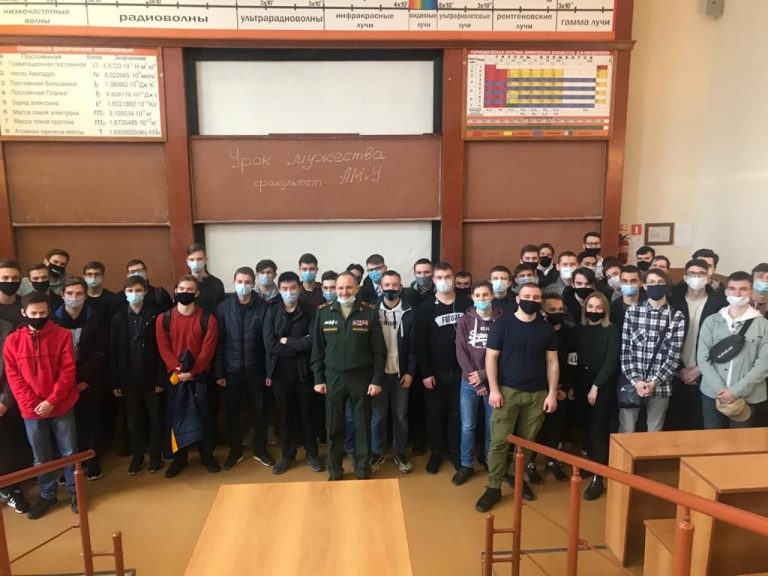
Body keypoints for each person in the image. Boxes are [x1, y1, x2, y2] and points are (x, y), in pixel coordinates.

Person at [475, 282, 559, 511]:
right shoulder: (502, 325)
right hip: (507, 392)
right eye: (527, 296)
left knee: (527, 444)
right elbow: (491, 358)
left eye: (536, 297)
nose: (532, 300)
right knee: (499, 442)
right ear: (518, 299)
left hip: (537, 394)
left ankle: (517, 478)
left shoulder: (546, 329)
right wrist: (493, 389)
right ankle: (493, 486)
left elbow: (552, 362)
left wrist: (552, 393)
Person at [4, 292, 79, 519]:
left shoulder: (62, 335)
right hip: (31, 410)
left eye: (43, 313)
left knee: (69, 451)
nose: (38, 317)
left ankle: (75, 492)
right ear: (23, 313)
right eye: (33, 313)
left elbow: (68, 371)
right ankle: (47, 494)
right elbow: (13, 377)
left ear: (49, 312)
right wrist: (34, 403)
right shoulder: (12, 341)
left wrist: (52, 401)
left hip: (61, 405)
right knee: (41, 455)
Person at [311, 272, 385, 480]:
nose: (344, 292)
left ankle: (362, 468)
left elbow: (379, 350)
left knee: (362, 425)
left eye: (349, 287)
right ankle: (335, 469)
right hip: (333, 377)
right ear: (335, 289)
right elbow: (317, 349)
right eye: (340, 288)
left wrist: (376, 380)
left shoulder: (369, 312)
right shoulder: (323, 312)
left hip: (361, 377)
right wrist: (318, 378)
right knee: (333, 426)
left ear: (357, 288)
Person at [156, 275, 220, 478]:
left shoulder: (208, 319)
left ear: (197, 293)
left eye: (190, 289)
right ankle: (179, 458)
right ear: (176, 291)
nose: (185, 292)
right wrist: (178, 370)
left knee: (205, 416)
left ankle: (207, 455)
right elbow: (164, 348)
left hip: (200, 377)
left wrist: (193, 372)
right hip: (176, 379)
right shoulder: (163, 319)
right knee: (176, 416)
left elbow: (208, 350)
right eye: (181, 289)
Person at [416, 261, 472, 474]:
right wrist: (426, 373)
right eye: (439, 277)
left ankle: (455, 452)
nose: (444, 281)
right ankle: (436, 452)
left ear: (453, 277)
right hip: (435, 372)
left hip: (461, 371)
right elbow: (420, 343)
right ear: (433, 280)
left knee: (457, 414)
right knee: (434, 413)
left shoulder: (467, 304)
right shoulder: (426, 307)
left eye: (447, 277)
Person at [264, 271, 322, 475]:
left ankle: (312, 454)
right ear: (279, 290)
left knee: (308, 415)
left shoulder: (311, 310)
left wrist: (288, 341)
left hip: (304, 372)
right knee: (285, 417)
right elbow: (270, 344)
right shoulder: (271, 311)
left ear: (299, 288)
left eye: (293, 288)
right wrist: (298, 346)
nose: (289, 292)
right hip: (280, 373)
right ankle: (288, 456)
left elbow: (313, 341)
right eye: (285, 289)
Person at [214, 267, 272, 470]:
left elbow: (267, 344)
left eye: (248, 282)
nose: (244, 286)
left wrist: (269, 372)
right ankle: (235, 452)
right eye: (240, 281)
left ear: (254, 283)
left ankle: (260, 450)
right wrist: (219, 372)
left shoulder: (264, 307)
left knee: (259, 411)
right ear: (234, 282)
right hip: (232, 370)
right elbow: (219, 342)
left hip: (257, 370)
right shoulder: (223, 308)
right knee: (232, 413)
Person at [698, 272, 768, 429]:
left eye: (743, 289)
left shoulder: (763, 325)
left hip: (746, 395)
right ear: (726, 291)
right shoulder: (711, 321)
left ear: (751, 292)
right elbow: (703, 359)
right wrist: (720, 389)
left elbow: (764, 364)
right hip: (712, 393)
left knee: (740, 440)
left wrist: (735, 391)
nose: (737, 294)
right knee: (712, 438)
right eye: (732, 289)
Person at [52, 278, 107, 480]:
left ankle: (93, 463)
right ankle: (69, 468)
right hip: (61, 383)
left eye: (79, 294)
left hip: (89, 380)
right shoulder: (52, 320)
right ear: (62, 295)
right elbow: (51, 357)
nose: (74, 298)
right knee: (66, 427)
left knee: (91, 422)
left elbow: (101, 353)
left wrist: (82, 379)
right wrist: (68, 381)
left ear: (85, 296)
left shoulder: (96, 318)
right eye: (70, 293)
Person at [111, 275, 165, 475]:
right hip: (128, 378)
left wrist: (161, 378)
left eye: (138, 290)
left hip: (151, 376)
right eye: (130, 291)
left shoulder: (156, 315)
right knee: (133, 420)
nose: (134, 294)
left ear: (145, 292)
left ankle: (155, 456)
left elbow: (162, 349)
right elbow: (113, 351)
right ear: (125, 293)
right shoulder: (118, 318)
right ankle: (137, 456)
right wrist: (115, 381)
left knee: (155, 418)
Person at [619, 269, 685, 433]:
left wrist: (654, 382)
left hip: (661, 385)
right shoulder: (632, 312)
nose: (656, 285)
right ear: (644, 286)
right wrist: (636, 381)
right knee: (627, 429)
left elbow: (673, 357)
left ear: (666, 286)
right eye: (652, 282)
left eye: (660, 282)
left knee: (655, 430)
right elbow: (625, 352)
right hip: (632, 383)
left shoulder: (677, 317)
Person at [666, 259, 727, 430]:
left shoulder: (720, 304)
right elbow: (664, 338)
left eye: (701, 274)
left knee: (699, 425)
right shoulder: (673, 301)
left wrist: (700, 369)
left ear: (708, 277)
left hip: (705, 374)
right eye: (692, 274)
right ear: (685, 277)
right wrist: (680, 368)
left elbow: (722, 342)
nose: (697, 278)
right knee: (673, 425)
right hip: (675, 372)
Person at [454, 280, 502, 486]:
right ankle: (466, 464)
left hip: (493, 382)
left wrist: (484, 375)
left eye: (485, 295)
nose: (482, 299)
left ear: (492, 296)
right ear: (472, 298)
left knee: (492, 426)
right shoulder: (465, 320)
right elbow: (461, 351)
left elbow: (505, 352)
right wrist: (476, 380)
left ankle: (490, 460)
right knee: (468, 426)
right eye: (478, 296)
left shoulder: (502, 320)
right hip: (469, 383)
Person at [573, 291, 619, 500]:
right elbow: (574, 358)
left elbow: (611, 361)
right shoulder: (580, 329)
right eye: (590, 307)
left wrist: (596, 386)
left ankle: (599, 478)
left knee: (598, 430)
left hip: (601, 386)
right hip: (581, 384)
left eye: (598, 307)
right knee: (585, 428)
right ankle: (591, 464)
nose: (594, 311)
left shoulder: (611, 330)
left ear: (605, 310)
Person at [371, 270, 416, 474]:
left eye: (395, 285)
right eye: (387, 285)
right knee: (378, 417)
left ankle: (400, 452)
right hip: (378, 375)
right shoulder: (371, 311)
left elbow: (415, 346)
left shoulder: (410, 311)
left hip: (401, 374)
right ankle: (377, 452)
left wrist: (410, 372)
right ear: (381, 286)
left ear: (400, 286)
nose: (391, 288)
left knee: (400, 415)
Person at [527, 294, 572, 484]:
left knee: (556, 428)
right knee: (534, 428)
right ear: (543, 311)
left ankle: (553, 460)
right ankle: (530, 464)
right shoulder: (537, 331)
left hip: (561, 389)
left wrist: (565, 387)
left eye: (560, 310)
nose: (557, 313)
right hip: (538, 388)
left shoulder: (569, 333)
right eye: (552, 310)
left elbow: (572, 362)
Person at [0, 311, 31, 514]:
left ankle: (12, 489)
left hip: (4, 401)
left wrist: (4, 402)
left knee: (6, 448)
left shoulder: (6, 328)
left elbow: (14, 369)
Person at [186, 243, 225, 314]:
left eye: (199, 259)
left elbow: (222, 311)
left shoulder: (217, 284)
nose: (196, 262)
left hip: (212, 320)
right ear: (187, 261)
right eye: (192, 259)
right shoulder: (182, 285)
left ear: (205, 260)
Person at [610, 265, 646, 330]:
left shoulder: (650, 303)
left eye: (633, 281)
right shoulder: (612, 308)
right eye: (625, 281)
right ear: (620, 283)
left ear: (641, 283)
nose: (629, 284)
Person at [0, 259, 24, 327]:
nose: (10, 281)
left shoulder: (26, 305)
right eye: (5, 278)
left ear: (20, 280)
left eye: (15, 278)